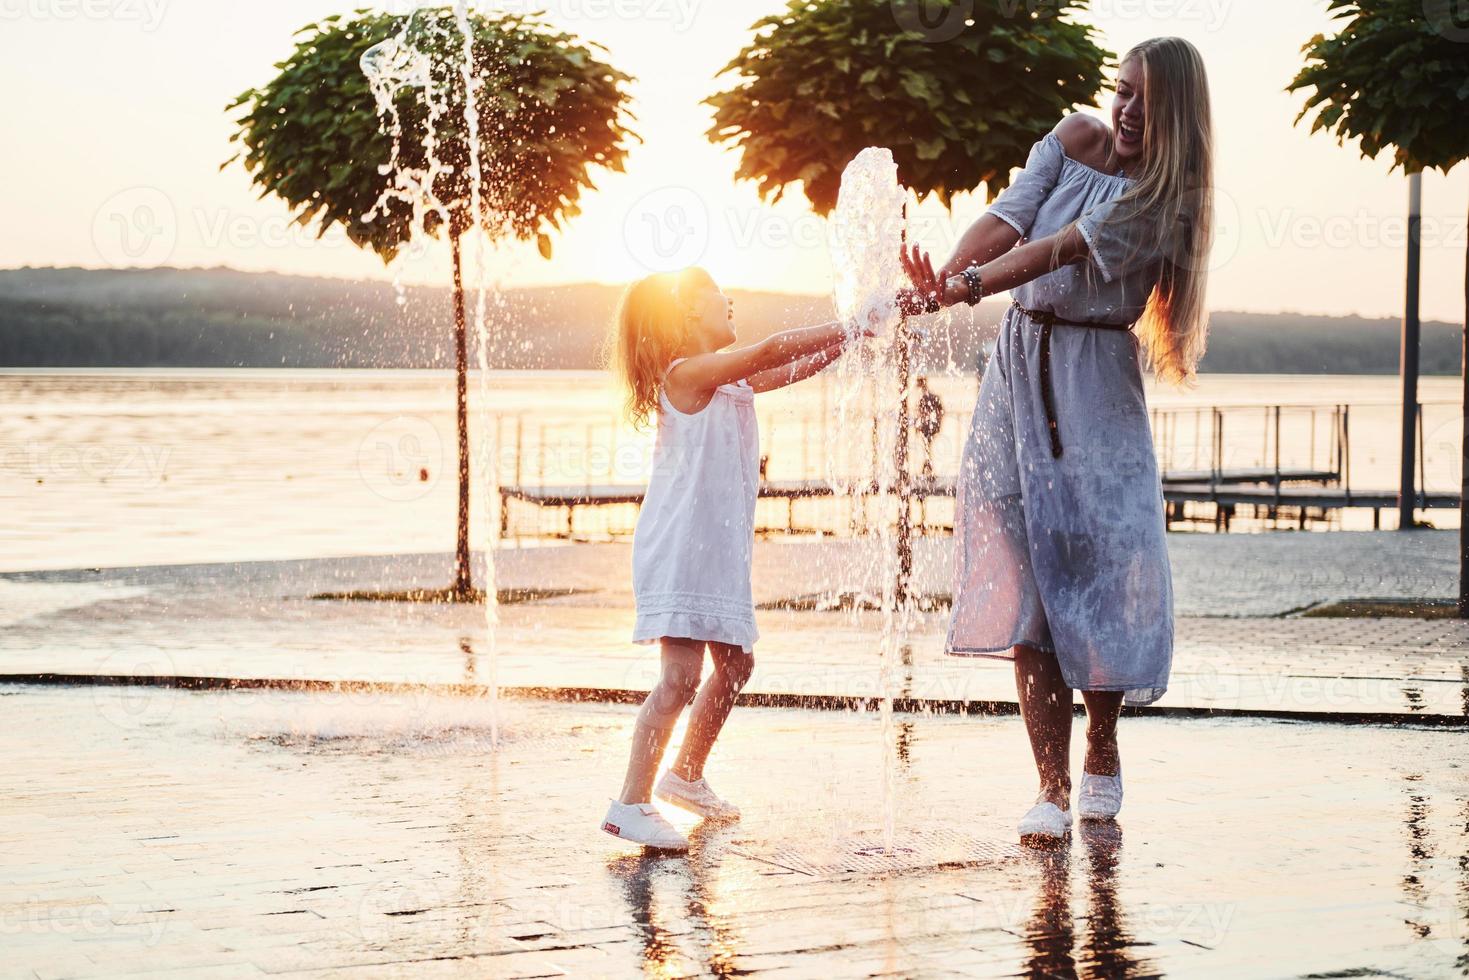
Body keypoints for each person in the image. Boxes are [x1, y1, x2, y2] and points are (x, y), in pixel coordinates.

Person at [899, 37, 1214, 845]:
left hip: (1093, 382)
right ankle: (1046, 782)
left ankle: (1100, 745)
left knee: (1098, 567)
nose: (1128, 109)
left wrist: (961, 289)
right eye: (1122, 90)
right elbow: (1009, 219)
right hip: (1016, 367)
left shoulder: (1163, 195)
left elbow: (1057, 248)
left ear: (1177, 109)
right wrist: (945, 276)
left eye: (1146, 98)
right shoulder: (1073, 137)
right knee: (1024, 565)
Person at [602, 266, 867, 851]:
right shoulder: (687, 375)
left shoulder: (731, 384)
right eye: (717, 295)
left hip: (714, 553)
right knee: (677, 680)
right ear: (690, 313)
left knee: (735, 667)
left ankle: (685, 776)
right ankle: (630, 803)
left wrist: (853, 338)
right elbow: (771, 348)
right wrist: (850, 317)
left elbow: (793, 365)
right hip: (680, 551)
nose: (730, 301)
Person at [914, 376, 944, 478]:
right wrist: (938, 423)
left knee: (927, 447)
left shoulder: (924, 398)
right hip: (931, 425)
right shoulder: (930, 397)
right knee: (927, 447)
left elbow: (921, 415)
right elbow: (940, 411)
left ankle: (927, 468)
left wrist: (917, 427)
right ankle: (927, 468)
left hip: (927, 426)